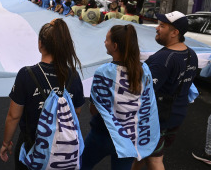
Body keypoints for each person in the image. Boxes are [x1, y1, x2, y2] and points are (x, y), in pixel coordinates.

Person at [0, 18, 85, 169]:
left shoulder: (26, 74)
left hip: (32, 147)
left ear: (40, 44)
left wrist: (6, 143)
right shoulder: (74, 76)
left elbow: (14, 116)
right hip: (63, 150)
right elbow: (76, 112)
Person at [81, 24, 159, 170]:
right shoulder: (144, 69)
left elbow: (94, 109)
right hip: (130, 138)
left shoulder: (103, 72)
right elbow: (147, 104)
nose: (105, 42)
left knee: (82, 165)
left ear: (115, 46)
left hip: (102, 135)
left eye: (106, 40)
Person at [132, 11, 198, 170]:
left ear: (175, 32)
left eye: (162, 26)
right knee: (144, 153)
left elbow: (143, 90)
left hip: (157, 119)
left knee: (155, 161)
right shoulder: (191, 53)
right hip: (177, 115)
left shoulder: (164, 58)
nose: (157, 28)